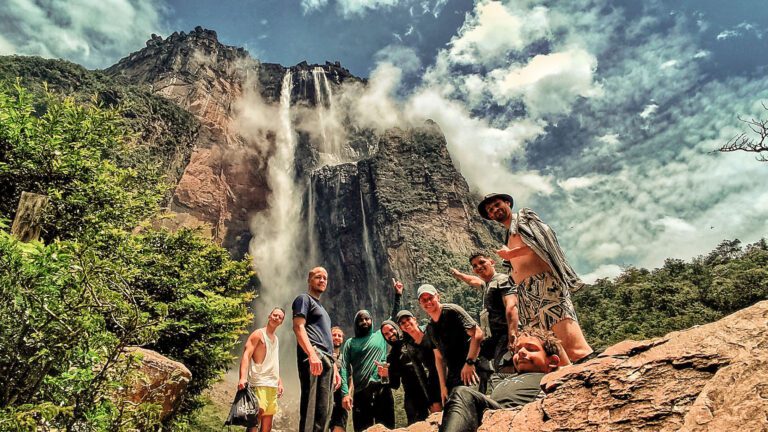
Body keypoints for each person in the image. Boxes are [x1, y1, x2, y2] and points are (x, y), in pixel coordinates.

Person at [478, 193, 593, 363]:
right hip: (526, 295)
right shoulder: (508, 235)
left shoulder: (524, 218)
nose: (495, 210)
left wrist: (511, 254)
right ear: (490, 216)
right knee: (551, 352)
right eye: (490, 210)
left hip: (544, 286)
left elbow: (543, 241)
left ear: (507, 203)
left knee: (573, 347)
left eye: (497, 204)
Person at [438, 327, 562, 432]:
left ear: (552, 361)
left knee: (462, 392)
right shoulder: (504, 377)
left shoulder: (550, 378)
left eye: (531, 349)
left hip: (513, 414)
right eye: (517, 350)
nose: (521, 353)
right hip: (488, 414)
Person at [339, 279, 402, 432]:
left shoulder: (381, 335)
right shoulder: (350, 343)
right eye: (360, 320)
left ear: (372, 321)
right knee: (362, 429)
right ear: (356, 324)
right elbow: (344, 368)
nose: (364, 321)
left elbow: (392, 320)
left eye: (367, 318)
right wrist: (345, 393)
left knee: (387, 427)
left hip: (383, 389)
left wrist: (398, 295)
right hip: (361, 393)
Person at [450, 252, 519, 372]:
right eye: (474, 266)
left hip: (505, 334)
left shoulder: (502, 280)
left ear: (492, 262)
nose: (478, 267)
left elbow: (511, 306)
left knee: (505, 367)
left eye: (482, 262)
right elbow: (473, 281)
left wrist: (512, 335)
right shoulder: (487, 285)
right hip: (493, 338)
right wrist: (459, 275)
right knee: (477, 359)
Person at [292, 267, 340, 432]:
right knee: (312, 410)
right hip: (315, 357)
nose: (322, 280)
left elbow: (328, 342)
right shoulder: (304, 299)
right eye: (318, 277)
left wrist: (335, 368)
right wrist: (311, 354)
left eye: (325, 278)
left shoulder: (324, 312)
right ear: (309, 280)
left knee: (324, 411)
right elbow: (298, 327)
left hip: (326, 360)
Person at [417, 284, 483, 404]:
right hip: (453, 376)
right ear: (420, 304)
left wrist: (470, 362)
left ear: (438, 297)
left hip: (471, 369)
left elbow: (477, 333)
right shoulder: (430, 328)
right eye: (424, 300)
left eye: (430, 297)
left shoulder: (451, 311)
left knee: (471, 407)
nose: (428, 302)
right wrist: (443, 386)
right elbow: (439, 358)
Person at [378, 309, 442, 424]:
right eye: (386, 334)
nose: (390, 334)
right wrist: (385, 375)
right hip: (412, 395)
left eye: (392, 330)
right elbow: (395, 384)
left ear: (398, 328)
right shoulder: (391, 357)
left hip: (430, 386)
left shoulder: (411, 339)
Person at [237, 307, 286, 432]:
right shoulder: (258, 334)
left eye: (280, 317)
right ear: (269, 316)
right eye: (275, 315)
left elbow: (273, 362)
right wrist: (242, 377)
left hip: (272, 385)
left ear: (281, 322)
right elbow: (246, 355)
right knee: (255, 419)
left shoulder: (277, 339)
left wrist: (279, 382)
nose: (277, 318)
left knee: (267, 425)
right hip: (259, 382)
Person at [329, 326, 349, 432]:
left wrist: (348, 395)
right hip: (325, 397)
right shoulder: (322, 355)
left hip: (340, 400)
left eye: (340, 336)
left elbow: (350, 379)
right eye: (334, 335)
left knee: (339, 428)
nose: (337, 337)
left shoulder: (345, 358)